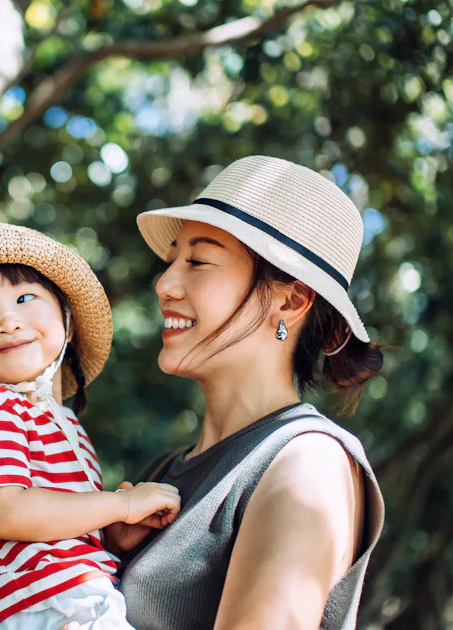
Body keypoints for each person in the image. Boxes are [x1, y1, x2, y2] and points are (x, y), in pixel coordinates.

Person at [112, 156, 387, 629]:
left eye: (198, 260)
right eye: (172, 258)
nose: (165, 283)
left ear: (290, 299)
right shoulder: (160, 473)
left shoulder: (306, 462)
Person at [0, 222, 181, 630]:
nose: (8, 321)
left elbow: (59, 526)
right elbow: (9, 514)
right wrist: (121, 504)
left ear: (66, 318)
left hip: (62, 599)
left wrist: (115, 530)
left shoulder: (64, 424)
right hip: (29, 602)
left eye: (25, 298)